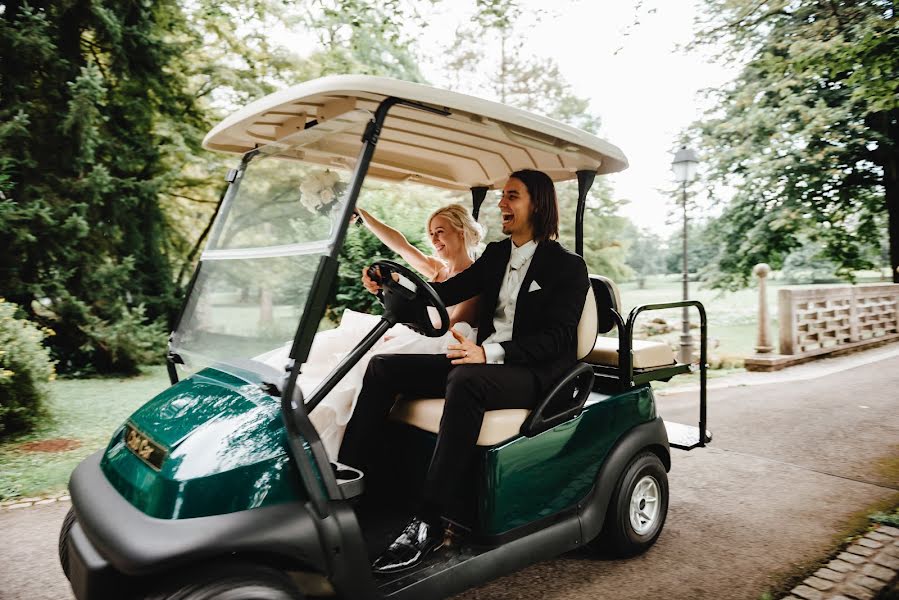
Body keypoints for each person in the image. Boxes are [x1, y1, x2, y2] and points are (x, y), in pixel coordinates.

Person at [339, 169, 590, 574]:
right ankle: (349, 488)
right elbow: (443, 292)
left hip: (537, 375)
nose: (502, 203)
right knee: (383, 367)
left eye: (512, 196)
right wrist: (389, 284)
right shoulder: (495, 256)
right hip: (485, 362)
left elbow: (558, 340)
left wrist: (488, 352)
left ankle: (430, 521)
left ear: (538, 204)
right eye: (502, 196)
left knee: (465, 378)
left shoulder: (567, 267)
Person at [256, 203, 484, 458]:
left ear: (462, 231)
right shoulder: (437, 269)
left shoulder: (475, 277)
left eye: (440, 231)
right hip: (415, 333)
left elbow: (449, 327)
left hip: (442, 342)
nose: (434, 239)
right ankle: (284, 399)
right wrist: (363, 215)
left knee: (367, 358)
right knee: (339, 340)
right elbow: (401, 246)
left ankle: (333, 447)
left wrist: (402, 328)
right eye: (431, 233)